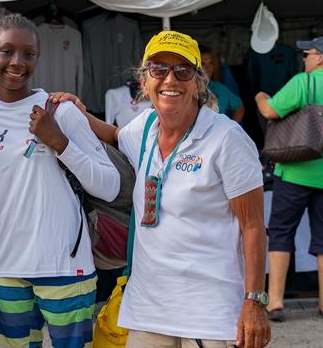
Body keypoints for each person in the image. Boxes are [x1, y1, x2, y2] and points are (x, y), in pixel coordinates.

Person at [54, 31, 271, 348]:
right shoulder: (144, 127)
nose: (171, 79)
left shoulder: (227, 138)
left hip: (208, 311)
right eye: (159, 69)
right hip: (148, 308)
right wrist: (76, 111)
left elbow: (253, 226)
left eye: (183, 71)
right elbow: (115, 136)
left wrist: (254, 302)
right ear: (145, 81)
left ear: (198, 82)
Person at [0, 14, 120, 347]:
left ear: (37, 57)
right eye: (7, 51)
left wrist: (61, 143)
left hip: (66, 271)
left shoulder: (61, 112)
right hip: (9, 273)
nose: (17, 62)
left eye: (28, 54)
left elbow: (109, 185)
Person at [255, 36, 323, 322]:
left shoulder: (304, 82)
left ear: (321, 58)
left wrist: (260, 96)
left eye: (308, 54)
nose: (304, 59)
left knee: (281, 232)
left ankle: (275, 302)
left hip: (296, 171)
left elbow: (269, 111)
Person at [201, 46, 244, 122]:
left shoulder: (220, 88)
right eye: (203, 64)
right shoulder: (187, 89)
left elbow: (239, 107)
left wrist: (232, 126)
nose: (208, 67)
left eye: (210, 63)